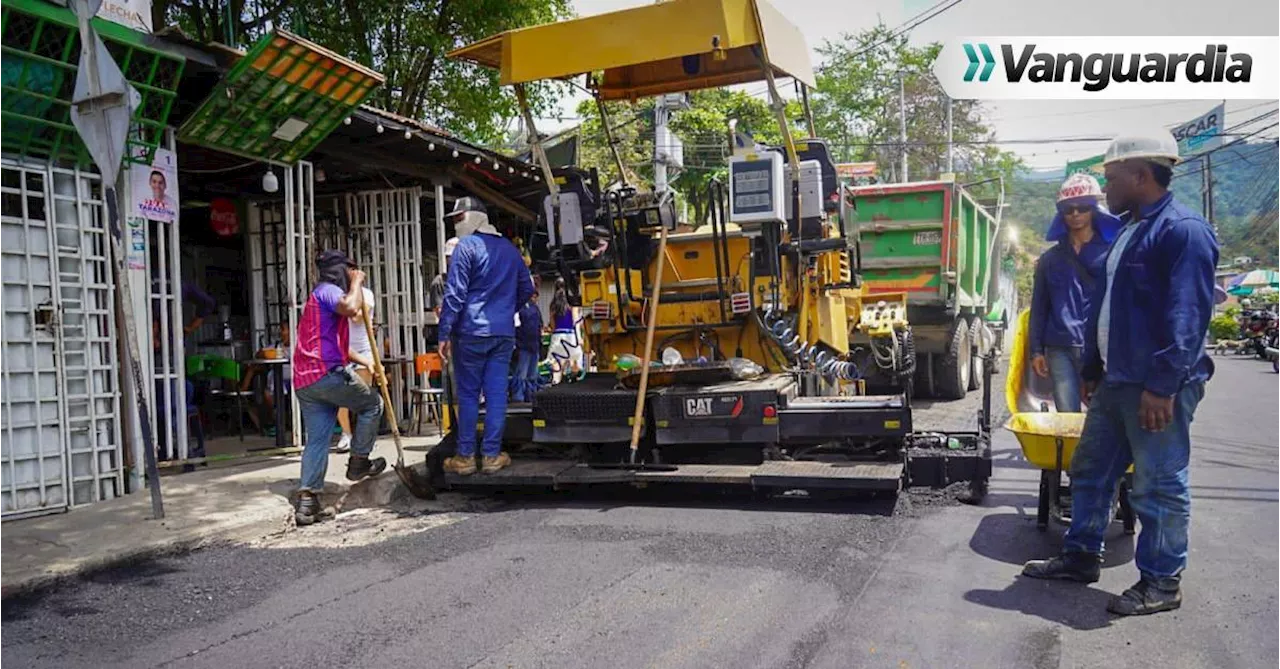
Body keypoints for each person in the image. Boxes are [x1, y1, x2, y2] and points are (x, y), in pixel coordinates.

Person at [1023, 130, 1219, 617]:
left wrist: (1162, 385)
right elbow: (1105, 308)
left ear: (1140, 175)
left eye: (1110, 180)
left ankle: (1161, 582)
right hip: (1115, 382)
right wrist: (1091, 367)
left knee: (1156, 484)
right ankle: (1081, 554)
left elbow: (1188, 317)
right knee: (1090, 470)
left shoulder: (1182, 230)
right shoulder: (1130, 228)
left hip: (1154, 386)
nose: (1104, 191)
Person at [437, 197, 534, 476]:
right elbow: (527, 289)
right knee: (496, 395)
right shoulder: (509, 250)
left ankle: (466, 457)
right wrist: (505, 311)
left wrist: (444, 332)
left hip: (469, 332)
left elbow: (454, 294)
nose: (456, 223)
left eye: (459, 217)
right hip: (502, 333)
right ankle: (492, 455)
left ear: (475, 217)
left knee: (468, 395)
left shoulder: (465, 247)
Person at [291, 250, 387, 525]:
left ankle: (308, 501)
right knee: (372, 405)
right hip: (326, 373)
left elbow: (342, 349)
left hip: (306, 381)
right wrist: (357, 282)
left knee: (318, 439)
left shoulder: (318, 299)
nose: (352, 275)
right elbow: (350, 307)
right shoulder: (328, 291)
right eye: (350, 270)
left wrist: (369, 362)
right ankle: (358, 462)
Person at [1028, 174, 1122, 412]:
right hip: (1059, 346)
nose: (1076, 214)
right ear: (1062, 215)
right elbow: (1039, 307)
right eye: (1069, 210)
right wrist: (1036, 351)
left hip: (1101, 346)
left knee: (1102, 415)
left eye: (1083, 208)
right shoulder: (1049, 260)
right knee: (1067, 415)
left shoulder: (1112, 253)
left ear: (1094, 210)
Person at [335, 282, 377, 453]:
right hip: (342, 349)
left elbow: (357, 316)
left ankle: (365, 437)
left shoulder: (366, 294)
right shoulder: (338, 295)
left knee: (364, 396)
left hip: (363, 349)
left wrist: (352, 301)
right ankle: (346, 434)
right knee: (339, 396)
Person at [546, 278, 583, 383]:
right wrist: (579, 338)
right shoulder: (572, 303)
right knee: (574, 361)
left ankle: (556, 383)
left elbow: (552, 325)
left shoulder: (553, 304)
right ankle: (573, 384)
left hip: (557, 335)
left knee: (556, 362)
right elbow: (575, 321)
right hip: (571, 335)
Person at [511, 284, 543, 402]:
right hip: (527, 345)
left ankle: (523, 396)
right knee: (526, 374)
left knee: (526, 374)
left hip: (528, 345)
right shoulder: (525, 307)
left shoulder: (525, 307)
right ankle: (525, 396)